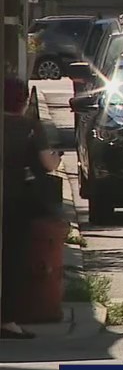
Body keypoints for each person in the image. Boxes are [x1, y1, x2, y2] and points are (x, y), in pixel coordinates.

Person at [2, 78, 60, 339]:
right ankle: (7, 319)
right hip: (13, 200)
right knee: (13, 258)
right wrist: (57, 158)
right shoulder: (29, 126)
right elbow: (47, 164)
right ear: (23, 100)